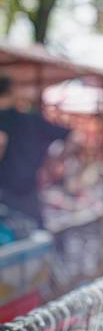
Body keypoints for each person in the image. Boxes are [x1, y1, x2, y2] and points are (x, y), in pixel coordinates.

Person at [0, 75, 72, 227]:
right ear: (12, 91)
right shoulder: (31, 120)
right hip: (27, 192)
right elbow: (75, 136)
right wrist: (54, 163)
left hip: (8, 192)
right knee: (33, 236)